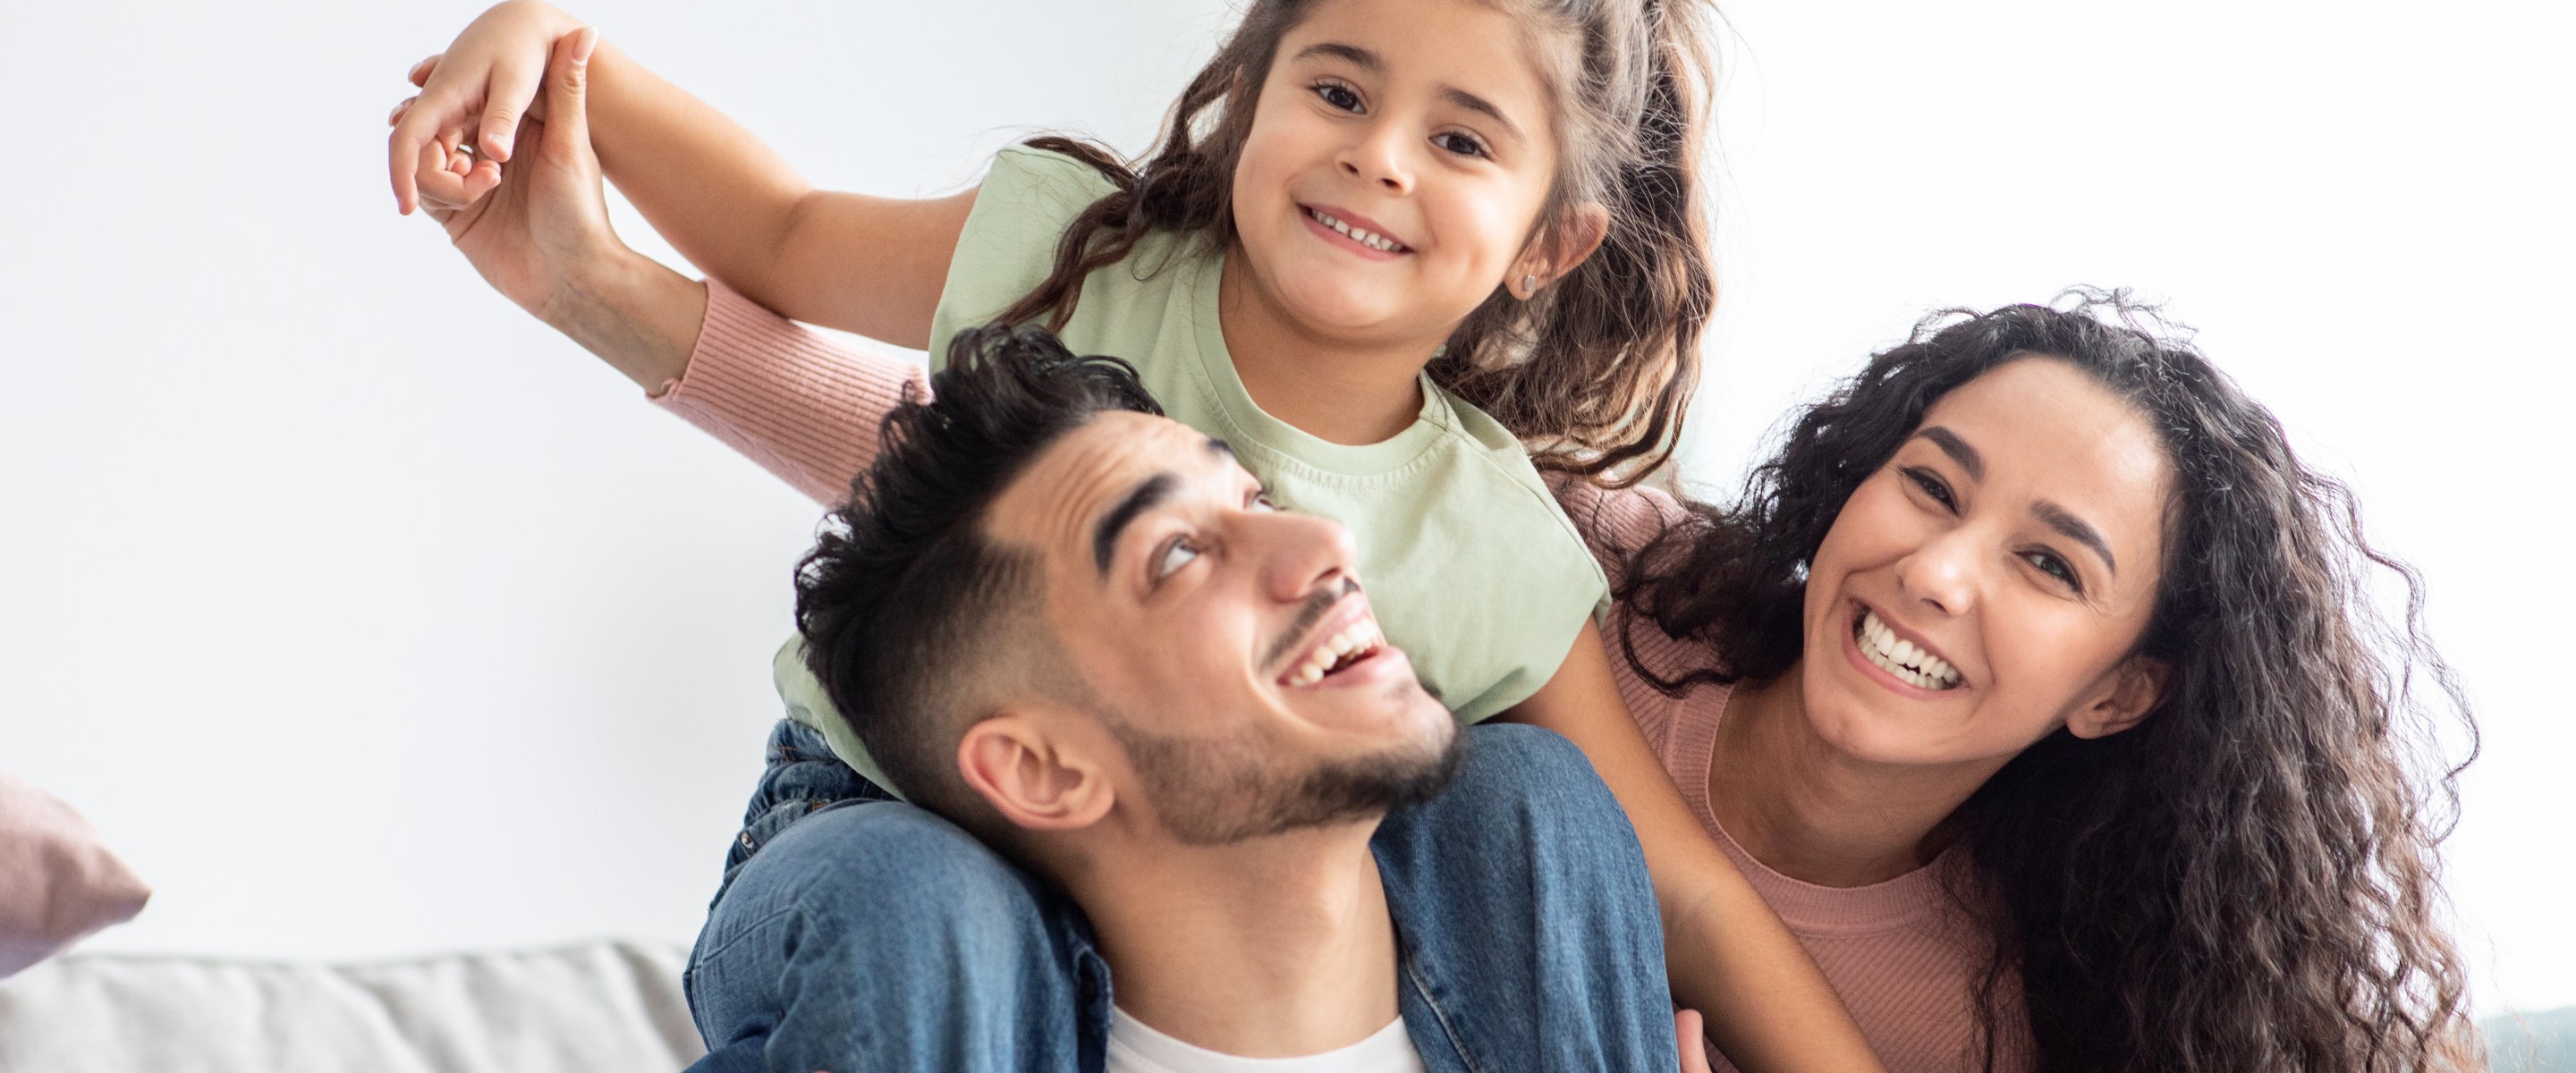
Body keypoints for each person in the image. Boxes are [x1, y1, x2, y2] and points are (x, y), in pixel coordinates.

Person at [387, 2, 1885, 1067]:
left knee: (1531, 796)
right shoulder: (1083, 258)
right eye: (1343, 93)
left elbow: (1671, 879)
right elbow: (781, 234)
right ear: (1253, 90)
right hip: (877, 812)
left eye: (1462, 140)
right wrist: (550, 49)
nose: (1379, 158)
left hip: (1215, 914)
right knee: (925, 912)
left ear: (1549, 245)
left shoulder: (1487, 536)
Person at [689, 317, 1690, 1073]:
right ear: (1043, 768)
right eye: (1177, 555)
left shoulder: (1539, 846)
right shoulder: (935, 991)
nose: (1327, 545)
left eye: (1254, 499)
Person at [1555, 299, 2479, 1071]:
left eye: (2048, 564)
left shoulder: (2008, 1026)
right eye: (1931, 486)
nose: (1936, 575)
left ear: (2117, 695)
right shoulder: (1589, 560)